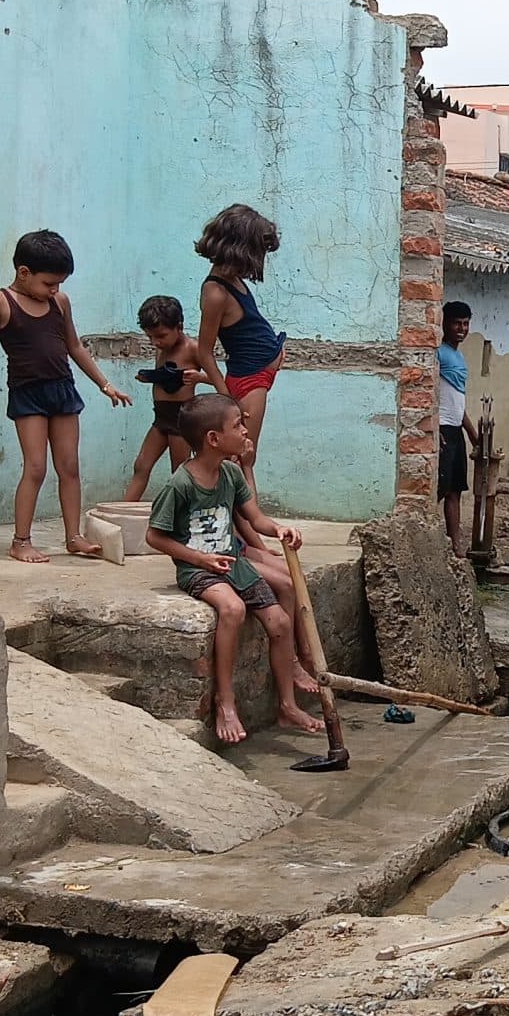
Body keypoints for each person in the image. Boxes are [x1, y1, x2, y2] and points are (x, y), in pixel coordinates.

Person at [145, 394, 327, 752]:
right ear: (213, 438)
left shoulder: (230, 472)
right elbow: (155, 536)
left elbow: (254, 518)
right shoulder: (179, 485)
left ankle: (287, 706)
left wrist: (278, 530)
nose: (246, 431)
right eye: (238, 426)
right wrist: (198, 559)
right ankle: (224, 702)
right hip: (200, 570)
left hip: (234, 563)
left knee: (277, 622)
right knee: (232, 609)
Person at [0, 230, 130, 563]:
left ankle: (73, 536)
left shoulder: (59, 303)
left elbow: (75, 347)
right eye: (49, 283)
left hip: (62, 390)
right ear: (24, 273)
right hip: (28, 394)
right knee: (35, 467)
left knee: (69, 466)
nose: (55, 290)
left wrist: (104, 384)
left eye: (59, 284)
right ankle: (20, 540)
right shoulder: (0, 302)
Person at [188, 203, 287, 483]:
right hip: (248, 380)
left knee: (243, 456)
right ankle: (243, 523)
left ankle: (244, 523)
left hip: (258, 374)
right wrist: (226, 399)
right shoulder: (216, 292)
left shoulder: (234, 282)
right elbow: (205, 352)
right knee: (242, 457)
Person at [123, 295, 216, 503]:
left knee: (180, 471)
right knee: (141, 465)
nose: (156, 342)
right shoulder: (161, 349)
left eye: (161, 336)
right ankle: (122, 511)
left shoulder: (193, 348)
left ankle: (182, 517)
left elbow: (218, 379)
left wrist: (200, 377)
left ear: (179, 327)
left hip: (181, 418)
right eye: (150, 338)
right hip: (161, 418)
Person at [438, 300, 478, 555]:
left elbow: (456, 401)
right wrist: (433, 429)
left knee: (455, 490)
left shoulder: (459, 355)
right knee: (438, 489)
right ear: (444, 324)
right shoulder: (438, 353)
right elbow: (430, 393)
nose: (461, 329)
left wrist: (473, 435)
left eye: (465, 324)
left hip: (454, 430)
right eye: (456, 323)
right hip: (440, 429)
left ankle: (456, 545)